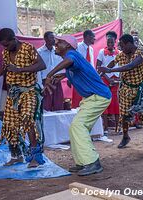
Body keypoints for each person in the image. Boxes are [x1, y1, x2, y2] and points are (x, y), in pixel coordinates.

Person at [44, 35, 111, 176]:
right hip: (94, 97)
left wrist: (50, 74)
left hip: (99, 96)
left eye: (59, 42)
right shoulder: (70, 63)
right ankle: (82, 162)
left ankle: (93, 162)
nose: (56, 43)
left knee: (78, 126)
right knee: (76, 127)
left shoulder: (72, 54)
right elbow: (76, 69)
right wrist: (65, 75)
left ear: (67, 45)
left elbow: (71, 60)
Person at [0, 28, 46, 168]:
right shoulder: (6, 52)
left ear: (14, 39)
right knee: (10, 125)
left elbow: (42, 65)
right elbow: (5, 67)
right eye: (3, 45)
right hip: (13, 93)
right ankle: (16, 156)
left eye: (6, 44)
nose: (5, 48)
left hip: (29, 91)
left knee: (28, 119)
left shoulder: (28, 48)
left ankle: (34, 158)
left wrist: (20, 69)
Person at [98, 34, 143, 149]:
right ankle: (125, 137)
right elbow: (113, 62)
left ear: (129, 44)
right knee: (124, 115)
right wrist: (102, 72)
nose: (121, 48)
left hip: (141, 89)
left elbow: (131, 66)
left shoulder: (141, 52)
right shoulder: (122, 55)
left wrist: (109, 70)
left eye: (122, 45)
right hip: (125, 89)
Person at [96, 31, 120, 135]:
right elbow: (98, 68)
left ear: (115, 42)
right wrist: (107, 78)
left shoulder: (119, 53)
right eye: (108, 42)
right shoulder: (102, 52)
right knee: (105, 103)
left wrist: (118, 79)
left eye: (112, 42)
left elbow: (121, 67)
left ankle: (117, 128)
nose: (109, 44)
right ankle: (105, 128)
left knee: (116, 104)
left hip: (116, 80)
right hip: (105, 80)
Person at [38, 31, 64, 111]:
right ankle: (46, 123)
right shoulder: (39, 52)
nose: (53, 40)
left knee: (58, 106)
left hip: (56, 81)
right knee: (46, 107)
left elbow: (62, 66)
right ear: (45, 39)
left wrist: (61, 77)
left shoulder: (57, 51)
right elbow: (38, 71)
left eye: (54, 38)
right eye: (51, 37)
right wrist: (40, 86)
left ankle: (58, 123)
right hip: (45, 83)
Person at [71, 30, 96, 108]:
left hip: (89, 79)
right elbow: (72, 62)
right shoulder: (77, 47)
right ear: (88, 37)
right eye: (93, 37)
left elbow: (91, 64)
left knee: (88, 101)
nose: (94, 39)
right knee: (77, 101)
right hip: (79, 78)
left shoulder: (91, 49)